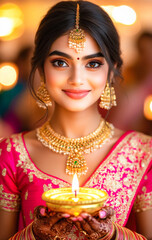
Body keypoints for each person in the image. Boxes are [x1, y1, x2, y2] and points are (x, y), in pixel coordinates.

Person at [0, 1, 151, 239]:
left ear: (111, 70)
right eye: (60, 63)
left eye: (93, 64)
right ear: (40, 69)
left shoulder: (143, 153)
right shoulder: (11, 154)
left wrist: (113, 235)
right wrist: (32, 234)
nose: (77, 79)